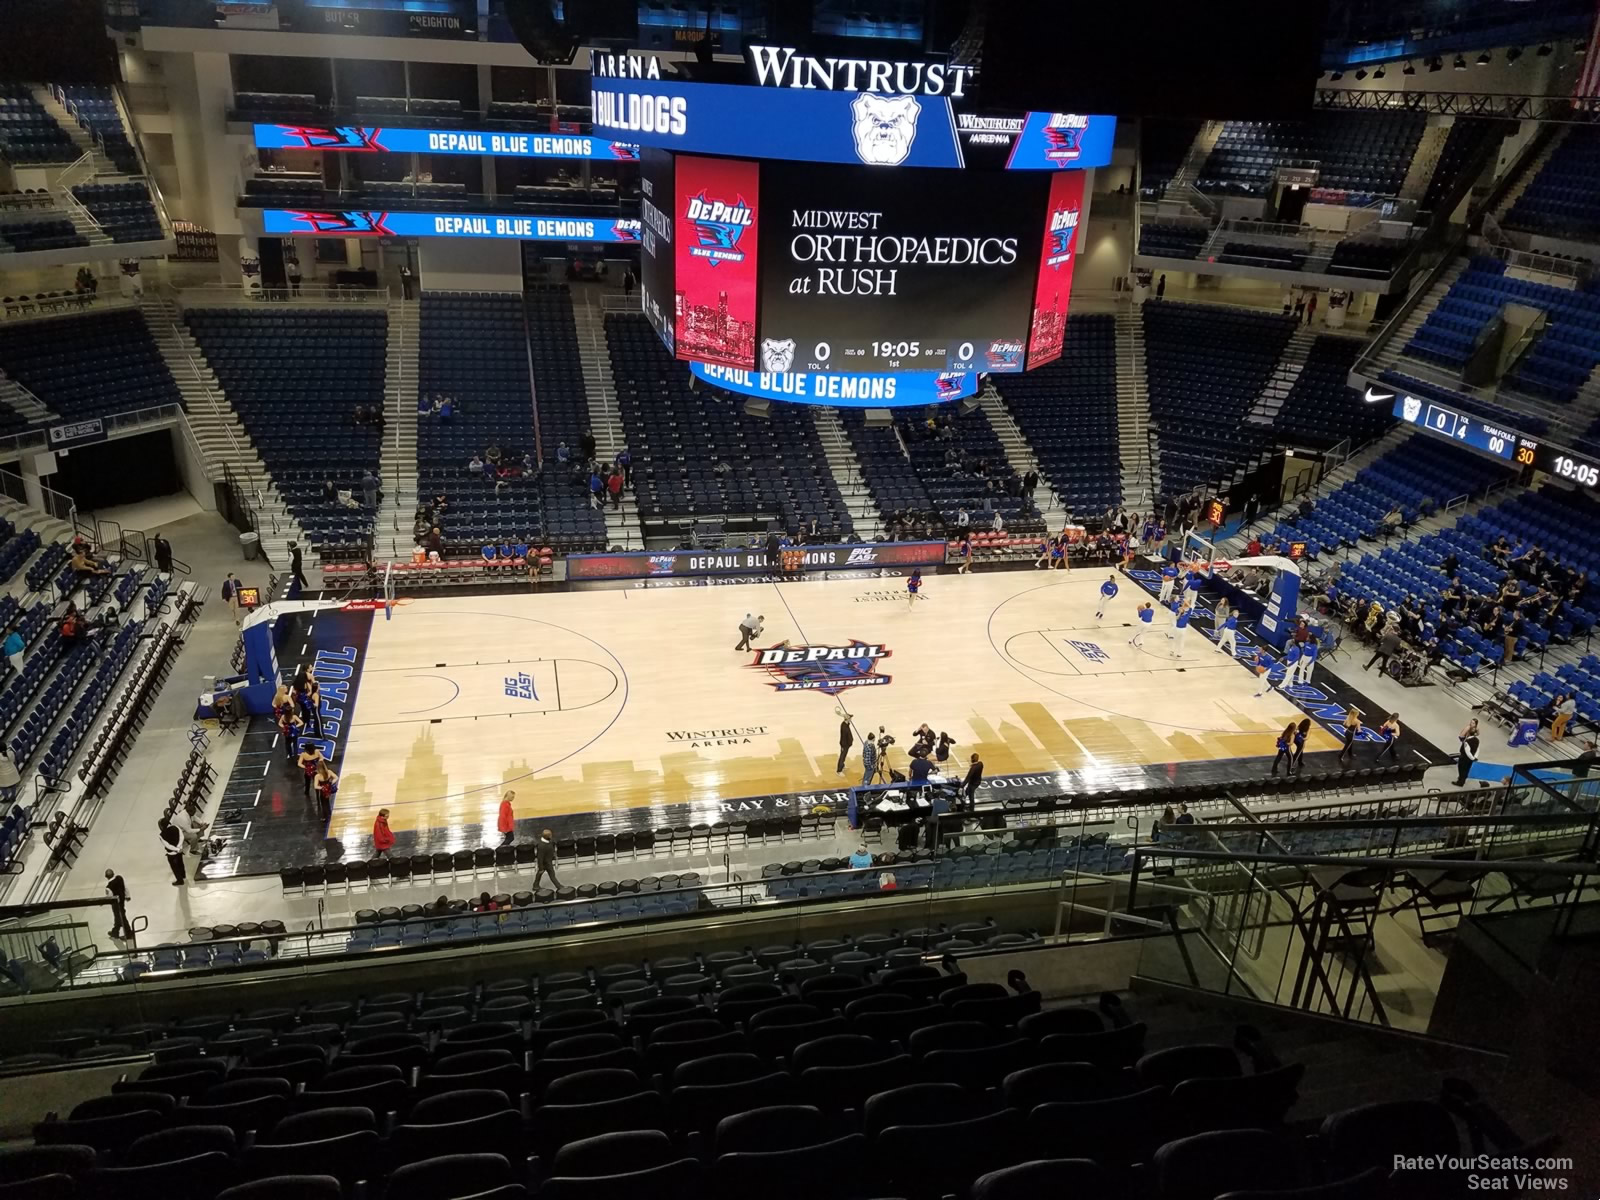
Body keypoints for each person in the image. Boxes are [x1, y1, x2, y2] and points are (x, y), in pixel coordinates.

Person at [104, 868, 132, 938]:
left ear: (106, 877)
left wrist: (103, 902)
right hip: (122, 901)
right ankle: (115, 932)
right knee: (119, 917)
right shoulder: (120, 878)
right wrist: (128, 896)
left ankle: (128, 934)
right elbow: (125, 887)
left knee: (121, 917)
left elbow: (110, 898)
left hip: (116, 904)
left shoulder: (108, 887)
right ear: (113, 874)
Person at [158, 819, 185, 886]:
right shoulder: (176, 827)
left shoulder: (161, 835)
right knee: (180, 863)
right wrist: (179, 847)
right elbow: (181, 837)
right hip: (179, 850)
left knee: (175, 867)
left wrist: (176, 849)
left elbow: (167, 845)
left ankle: (180, 880)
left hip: (172, 853)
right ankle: (183, 875)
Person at [1455, 721, 1480, 786]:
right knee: (1467, 769)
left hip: (1464, 757)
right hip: (1471, 758)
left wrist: (1472, 758)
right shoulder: (1477, 740)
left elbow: (1467, 752)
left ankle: (1460, 781)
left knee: (1462, 769)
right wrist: (1475, 757)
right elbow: (1478, 749)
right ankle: (1463, 779)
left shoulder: (1467, 741)